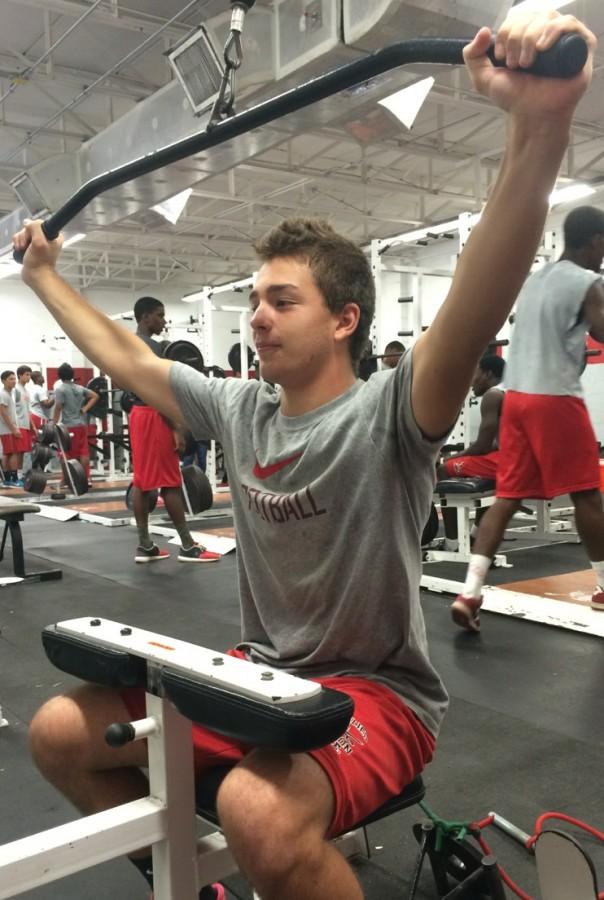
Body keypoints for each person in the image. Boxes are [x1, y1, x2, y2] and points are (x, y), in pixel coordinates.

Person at [13, 11, 596, 900]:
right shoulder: (240, 409)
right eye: (254, 299)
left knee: (256, 809)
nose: (255, 317)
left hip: (382, 700)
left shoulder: (393, 411)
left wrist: (540, 121)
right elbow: (129, 359)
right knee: (59, 731)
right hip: (261, 677)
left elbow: (483, 288)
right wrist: (45, 272)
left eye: (281, 300)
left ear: (344, 319)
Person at [452, 204, 604, 632]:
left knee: (507, 497)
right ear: (595, 241)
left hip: (515, 399)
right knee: (587, 494)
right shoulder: (589, 280)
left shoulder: (535, 280)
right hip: (554, 398)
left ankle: (470, 591)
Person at [127, 296, 220, 564]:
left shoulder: (131, 345)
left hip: (137, 414)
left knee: (143, 482)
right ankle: (189, 546)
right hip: (156, 414)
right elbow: (159, 390)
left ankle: (145, 545)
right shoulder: (152, 348)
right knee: (170, 482)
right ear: (145, 317)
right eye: (159, 315)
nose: (163, 321)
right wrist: (176, 427)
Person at [436, 355, 505, 549]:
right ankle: (475, 536)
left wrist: (452, 458)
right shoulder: (512, 390)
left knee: (444, 469)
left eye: (475, 374)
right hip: (521, 458)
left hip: (509, 462)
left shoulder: (493, 395)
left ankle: (452, 544)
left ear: (488, 374)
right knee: (485, 476)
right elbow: (493, 445)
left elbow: (482, 447)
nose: (471, 381)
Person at [52, 363, 99, 485]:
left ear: (59, 376)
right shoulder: (79, 388)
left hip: (68, 426)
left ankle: (65, 480)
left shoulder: (60, 389)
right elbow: (95, 396)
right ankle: (85, 479)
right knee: (83, 452)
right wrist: (85, 409)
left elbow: (58, 407)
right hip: (82, 424)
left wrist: (53, 423)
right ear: (72, 375)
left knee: (65, 453)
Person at [14, 364, 34, 482]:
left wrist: (33, 427)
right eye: (26, 375)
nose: (29, 377)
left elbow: (28, 410)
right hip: (18, 424)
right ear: (20, 375)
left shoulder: (26, 391)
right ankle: (18, 476)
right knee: (19, 452)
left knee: (24, 452)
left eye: (30, 375)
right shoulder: (16, 390)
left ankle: (21, 474)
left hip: (26, 425)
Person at [0, 370, 21, 486]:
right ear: (3, 381)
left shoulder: (9, 394)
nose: (14, 381)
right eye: (11, 379)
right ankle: (13, 479)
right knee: (12, 453)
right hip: (6, 429)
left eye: (14, 379)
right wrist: (13, 429)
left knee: (8, 453)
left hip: (8, 429)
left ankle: (8, 479)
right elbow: (2, 413)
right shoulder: (2, 394)